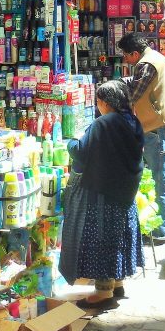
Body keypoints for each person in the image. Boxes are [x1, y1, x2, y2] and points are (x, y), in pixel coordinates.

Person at [59, 80, 145, 308]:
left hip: (103, 193)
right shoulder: (133, 121)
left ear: (105, 102)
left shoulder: (103, 124)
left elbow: (81, 152)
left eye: (98, 101)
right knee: (118, 237)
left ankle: (103, 293)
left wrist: (72, 141)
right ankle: (117, 283)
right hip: (125, 191)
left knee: (102, 239)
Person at [118, 33, 165, 243]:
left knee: (162, 178)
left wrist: (114, 92)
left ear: (134, 53)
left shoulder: (147, 64)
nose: (125, 60)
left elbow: (134, 93)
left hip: (161, 127)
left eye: (126, 55)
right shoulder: (155, 59)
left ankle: (161, 231)